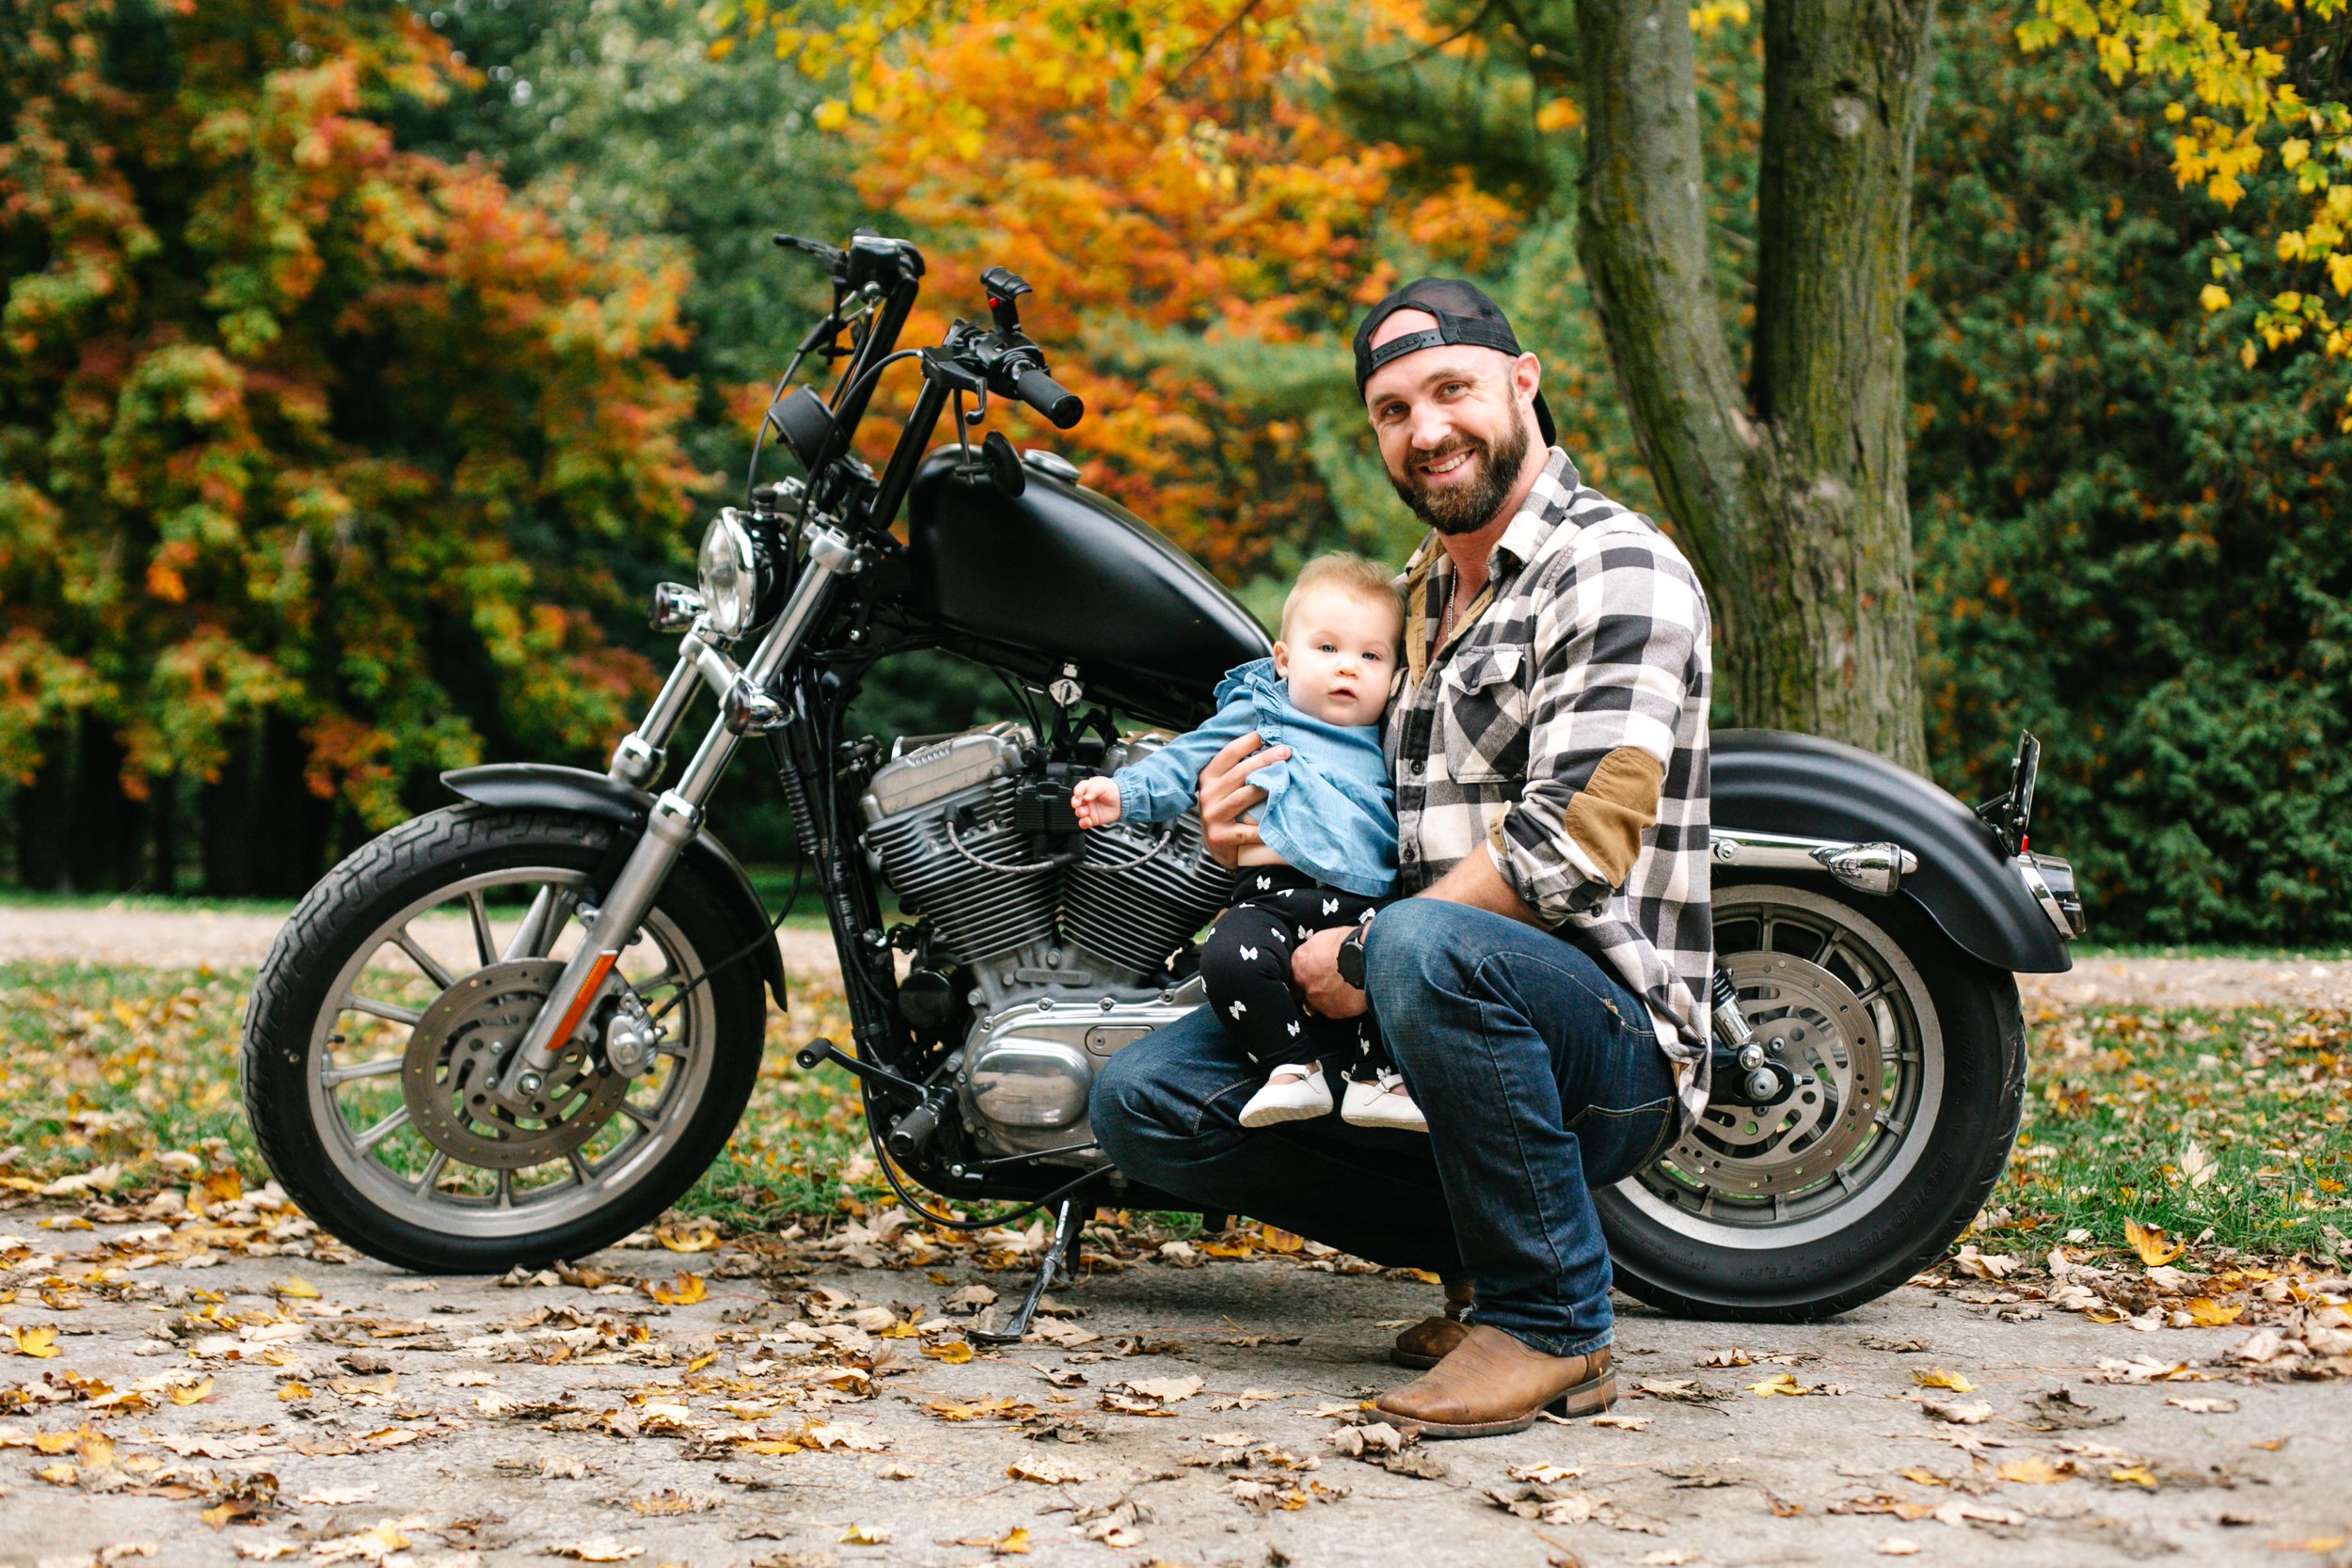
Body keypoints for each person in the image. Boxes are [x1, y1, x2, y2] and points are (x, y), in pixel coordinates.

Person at [1089, 277, 1714, 1441]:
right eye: (1391, 409)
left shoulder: (1614, 567)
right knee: (1145, 1098)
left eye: (1450, 391)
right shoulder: (1412, 594)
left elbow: (1574, 838)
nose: (1425, 430)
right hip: (1416, 998)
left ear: (1521, 383)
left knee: (1427, 939)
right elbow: (1340, 779)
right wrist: (1250, 823)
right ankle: (1499, 1244)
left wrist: (1369, 948)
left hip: (1603, 1034)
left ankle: (1550, 1319)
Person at [1071, 554, 1424, 1132]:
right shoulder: (1263, 711)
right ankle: (1291, 1067)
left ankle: (1378, 1077)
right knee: (1227, 956)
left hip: (1364, 900)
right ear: (1284, 659)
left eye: (1371, 655)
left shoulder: (1393, 731)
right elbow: (1189, 755)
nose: (1349, 669)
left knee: (1388, 969)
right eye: (1327, 649)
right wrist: (1124, 792)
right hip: (1271, 895)